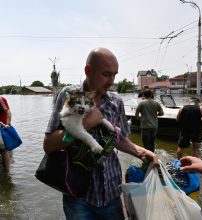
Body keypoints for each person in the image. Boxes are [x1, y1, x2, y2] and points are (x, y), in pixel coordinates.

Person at [43, 47, 158, 220]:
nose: (111, 80)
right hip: (77, 196)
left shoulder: (116, 102)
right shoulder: (68, 95)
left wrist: (142, 152)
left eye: (114, 75)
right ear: (88, 71)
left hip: (112, 193)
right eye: (106, 74)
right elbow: (48, 145)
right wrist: (85, 125)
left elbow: (119, 140)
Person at [0, 96, 11, 172]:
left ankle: (7, 172)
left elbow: (8, 112)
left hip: (3, 127)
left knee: (4, 150)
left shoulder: (1, 99)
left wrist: (7, 125)